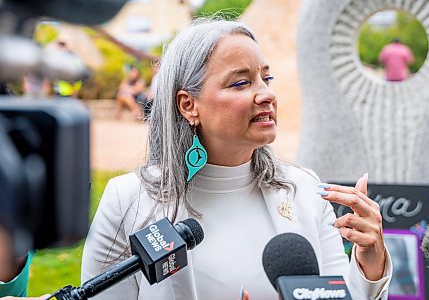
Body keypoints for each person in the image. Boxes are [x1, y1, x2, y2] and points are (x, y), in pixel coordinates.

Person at [81, 19, 392, 299]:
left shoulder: (305, 191)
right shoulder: (128, 201)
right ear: (189, 105)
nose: (266, 94)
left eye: (266, 79)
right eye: (241, 83)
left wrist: (371, 262)